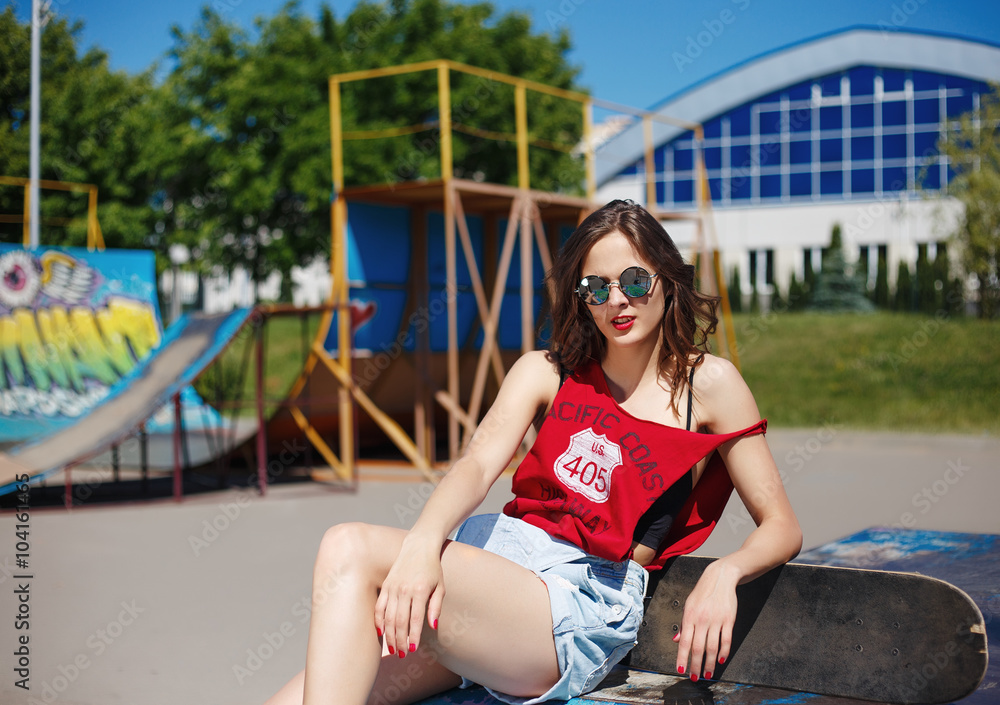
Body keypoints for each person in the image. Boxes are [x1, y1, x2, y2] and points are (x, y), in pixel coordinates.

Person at [265, 199, 802, 705]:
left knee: (349, 548)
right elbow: (476, 464)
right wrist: (423, 545)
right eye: (596, 287)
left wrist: (724, 572)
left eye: (636, 282)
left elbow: (780, 523)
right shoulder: (545, 372)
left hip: (575, 599)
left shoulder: (707, 385)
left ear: (668, 281)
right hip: (492, 575)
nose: (617, 301)